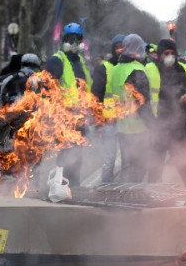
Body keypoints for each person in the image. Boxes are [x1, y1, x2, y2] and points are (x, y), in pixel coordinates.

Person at [147, 39, 186, 189]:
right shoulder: (150, 69)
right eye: (166, 53)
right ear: (159, 55)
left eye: (172, 53)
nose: (170, 56)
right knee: (155, 166)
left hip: (181, 128)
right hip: (159, 127)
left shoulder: (184, 70)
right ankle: (153, 197)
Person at [45, 23, 93, 185]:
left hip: (80, 120)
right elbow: (47, 89)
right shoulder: (56, 61)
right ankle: (60, 190)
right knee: (65, 159)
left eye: (77, 39)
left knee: (77, 159)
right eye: (69, 39)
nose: (73, 43)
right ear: (63, 40)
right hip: (64, 120)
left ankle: (73, 190)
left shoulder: (81, 62)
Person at [111, 34, 153, 182]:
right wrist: (153, 127)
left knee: (127, 168)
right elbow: (143, 104)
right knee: (138, 170)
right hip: (138, 129)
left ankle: (123, 200)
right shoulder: (137, 70)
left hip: (122, 128)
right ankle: (132, 200)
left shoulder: (116, 70)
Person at [91, 34, 125, 183]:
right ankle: (105, 190)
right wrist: (98, 123)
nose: (120, 50)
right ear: (113, 49)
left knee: (128, 159)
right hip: (109, 122)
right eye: (117, 47)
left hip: (126, 123)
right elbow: (95, 97)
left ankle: (123, 192)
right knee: (109, 159)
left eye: (123, 46)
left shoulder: (130, 67)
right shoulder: (104, 68)